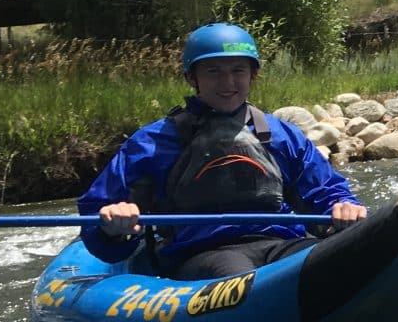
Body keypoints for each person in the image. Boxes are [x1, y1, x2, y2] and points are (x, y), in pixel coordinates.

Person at [79, 22, 370, 278]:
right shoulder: (151, 142)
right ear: (192, 78)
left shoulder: (282, 136)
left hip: (282, 246)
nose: (228, 83)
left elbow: (326, 192)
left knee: (333, 261)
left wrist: (342, 206)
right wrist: (112, 224)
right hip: (202, 254)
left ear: (253, 75)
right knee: (236, 272)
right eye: (213, 71)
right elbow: (97, 220)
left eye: (238, 70)